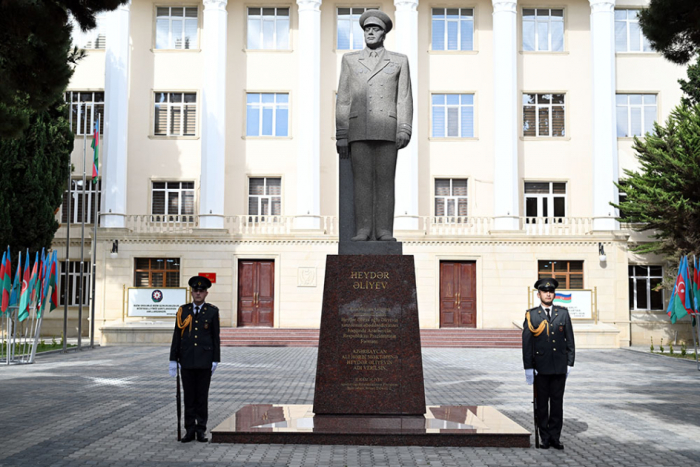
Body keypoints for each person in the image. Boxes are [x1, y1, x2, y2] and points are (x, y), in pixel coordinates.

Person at [335, 10, 413, 242]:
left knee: (385, 182)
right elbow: (344, 98)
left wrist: (404, 127)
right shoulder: (350, 60)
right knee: (361, 182)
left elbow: (404, 98)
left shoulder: (399, 61)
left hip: (387, 130)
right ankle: (364, 230)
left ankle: (384, 231)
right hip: (358, 129)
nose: (370, 32)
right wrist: (341, 133)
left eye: (375, 28)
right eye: (367, 28)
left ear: (384, 33)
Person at [522, 278, 575, 450]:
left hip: (559, 367)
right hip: (541, 368)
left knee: (557, 404)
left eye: (551, 291)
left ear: (554, 294)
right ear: (539, 295)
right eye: (545, 292)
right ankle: (544, 437)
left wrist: (569, 363)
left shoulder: (563, 313)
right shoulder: (532, 315)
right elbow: (527, 344)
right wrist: (529, 368)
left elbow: (570, 340)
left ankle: (555, 437)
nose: (548, 294)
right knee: (542, 404)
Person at [169, 275, 220, 443]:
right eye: (195, 291)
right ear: (191, 292)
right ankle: (189, 430)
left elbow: (215, 337)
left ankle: (201, 430)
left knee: (201, 397)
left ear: (206, 293)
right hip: (187, 360)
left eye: (201, 291)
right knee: (189, 397)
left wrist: (215, 359)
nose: (198, 293)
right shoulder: (183, 311)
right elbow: (177, 335)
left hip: (205, 361)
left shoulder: (212, 311)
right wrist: (173, 359)